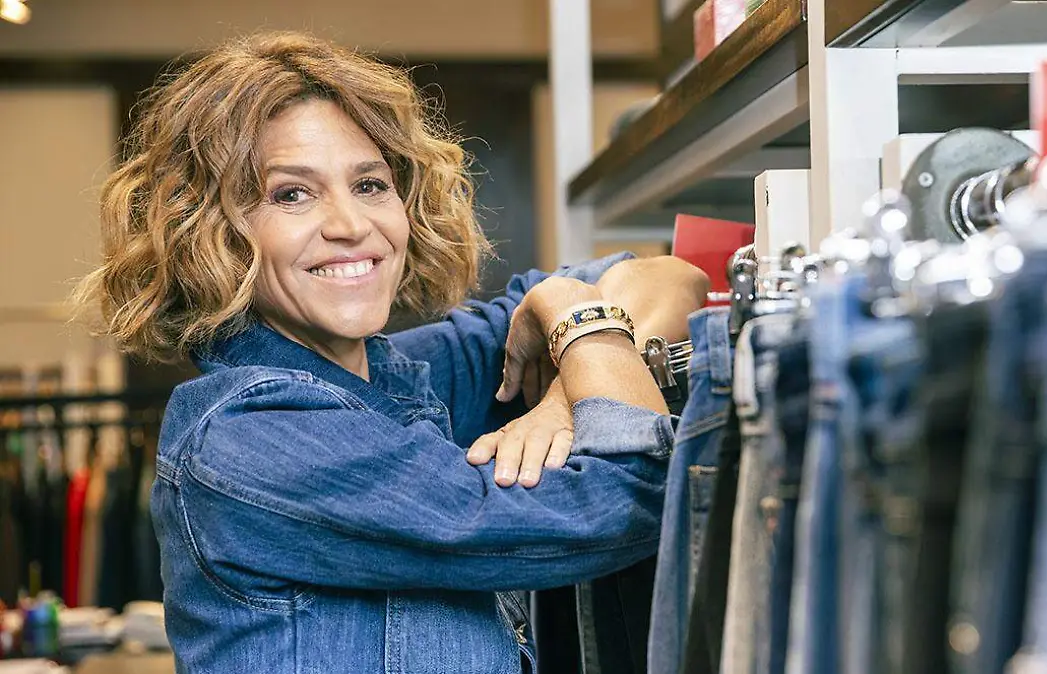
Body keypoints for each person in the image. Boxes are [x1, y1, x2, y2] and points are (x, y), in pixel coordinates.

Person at [72, 31, 710, 674]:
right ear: (209, 232)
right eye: (291, 194)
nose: (351, 225)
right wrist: (577, 322)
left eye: (370, 184)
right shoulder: (252, 436)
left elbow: (668, 278)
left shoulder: (396, 375)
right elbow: (624, 503)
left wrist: (562, 395)